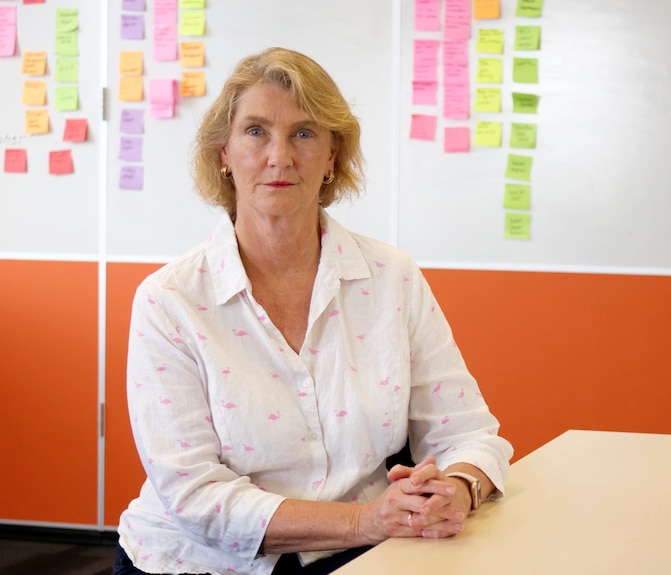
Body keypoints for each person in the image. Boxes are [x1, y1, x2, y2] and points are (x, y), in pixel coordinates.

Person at [113, 47, 513, 575]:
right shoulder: (170, 300)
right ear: (223, 155)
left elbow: (467, 431)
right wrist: (363, 521)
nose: (279, 155)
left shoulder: (392, 278)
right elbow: (194, 496)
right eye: (256, 131)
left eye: (304, 133)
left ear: (331, 158)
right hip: (200, 563)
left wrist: (457, 489)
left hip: (364, 552)